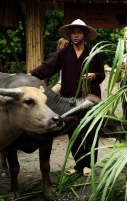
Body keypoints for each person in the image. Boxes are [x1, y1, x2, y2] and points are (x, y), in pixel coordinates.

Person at [28, 19, 105, 177]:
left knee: (90, 130)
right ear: (69, 35)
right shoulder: (63, 53)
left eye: (79, 32)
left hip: (90, 98)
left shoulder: (94, 53)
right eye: (73, 32)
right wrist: (29, 75)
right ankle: (79, 164)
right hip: (69, 99)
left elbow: (102, 74)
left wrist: (94, 75)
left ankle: (88, 164)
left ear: (85, 34)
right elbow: (47, 67)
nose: (76, 35)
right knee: (73, 132)